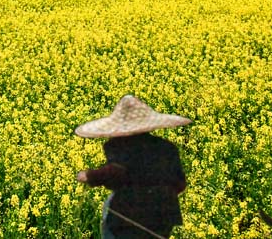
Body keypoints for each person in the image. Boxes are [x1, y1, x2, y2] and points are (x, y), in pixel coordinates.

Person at [75, 95, 191, 239]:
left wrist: (89, 176)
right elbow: (180, 184)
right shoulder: (167, 147)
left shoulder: (119, 147)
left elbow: (116, 173)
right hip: (164, 216)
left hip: (126, 217)